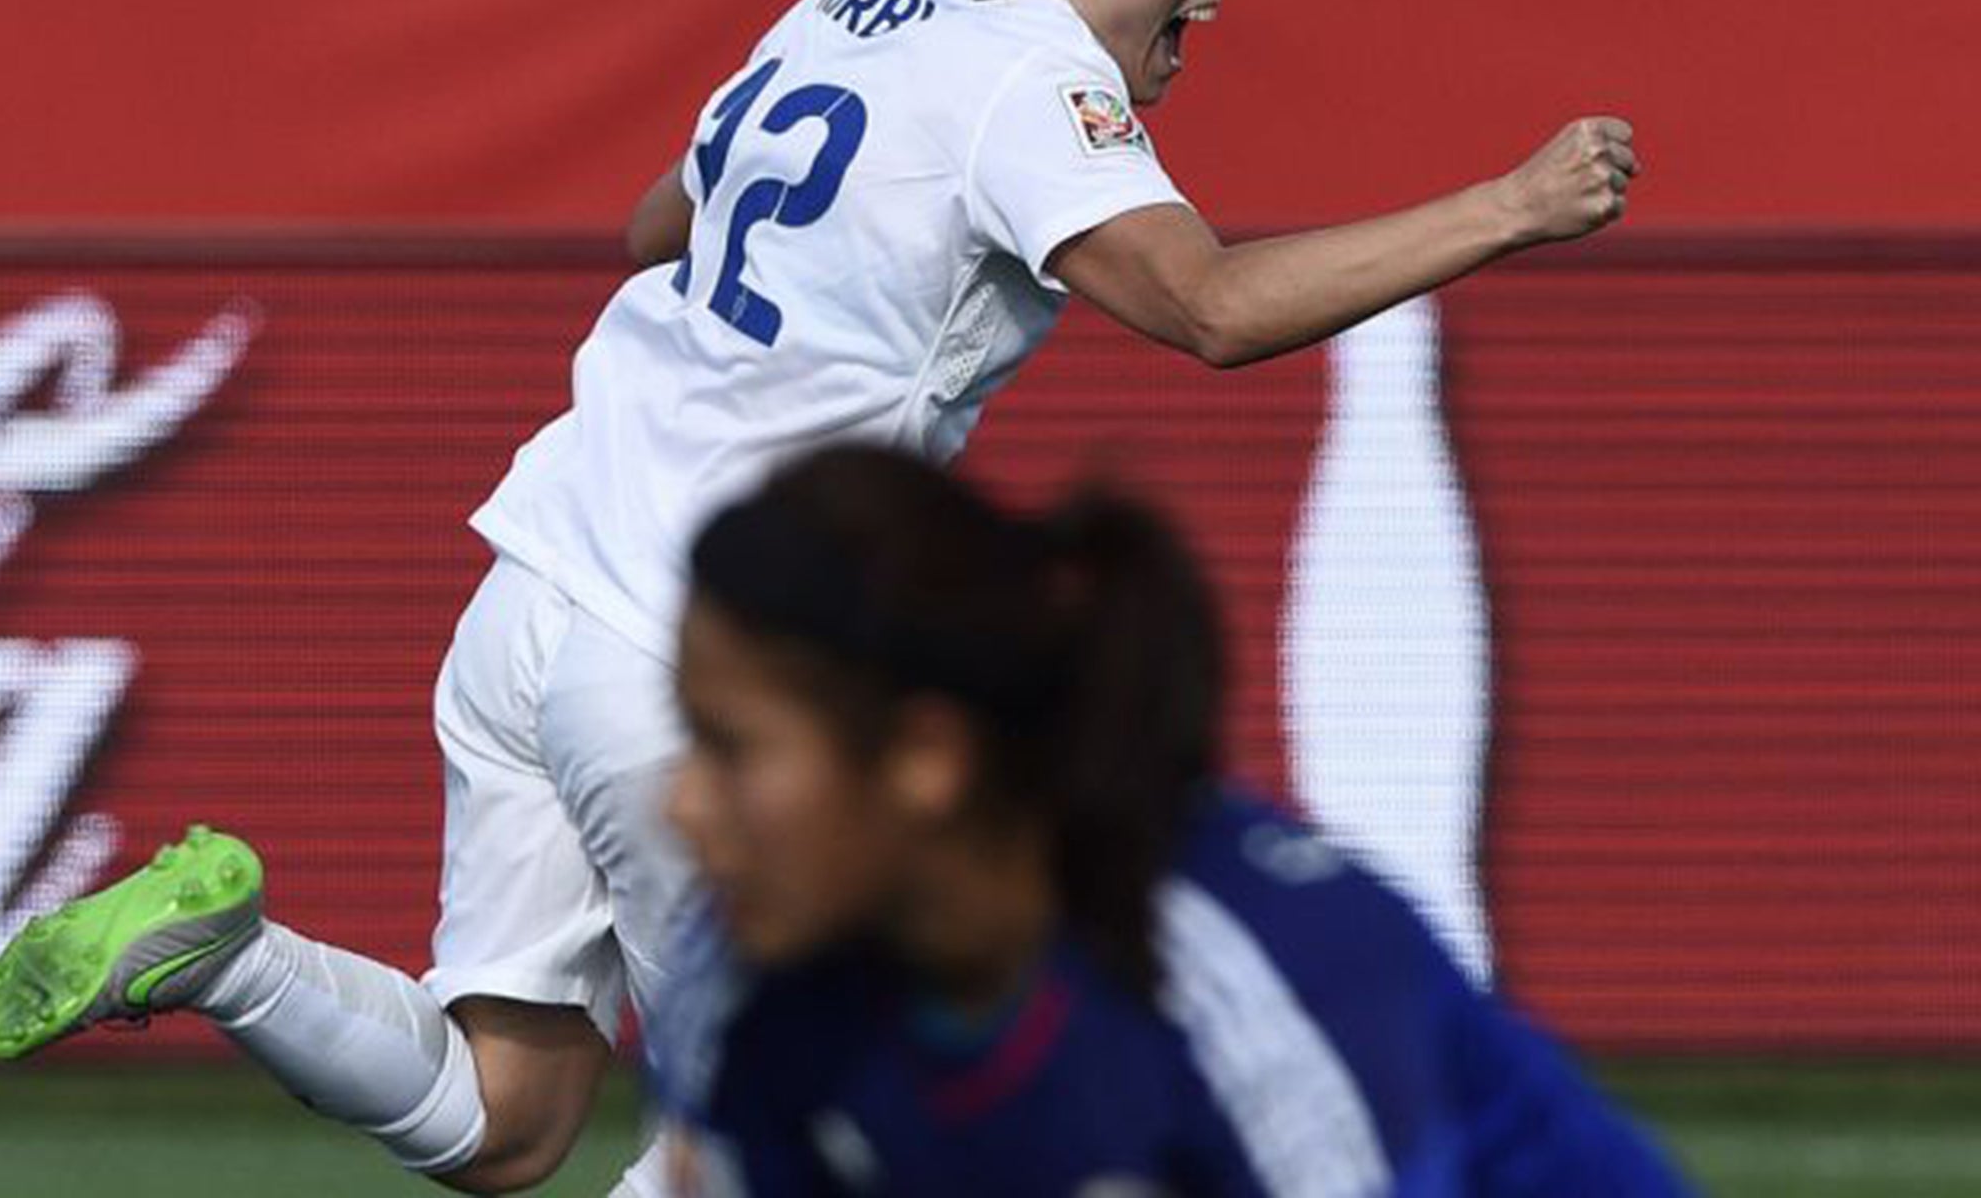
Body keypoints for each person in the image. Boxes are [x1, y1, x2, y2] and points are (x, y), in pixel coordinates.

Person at [0, 0, 1640, 1198]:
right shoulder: (1028, 73)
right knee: (761, 1137)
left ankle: (223, 959)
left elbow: (656, 227)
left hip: (535, 589)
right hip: (694, 664)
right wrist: (1509, 204)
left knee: (508, 1118)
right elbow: (1204, 309)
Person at [654, 444, 1691, 1197]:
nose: (681, 806)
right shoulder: (741, 991)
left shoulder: (1256, 979)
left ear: (926, 759)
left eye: (731, 748)